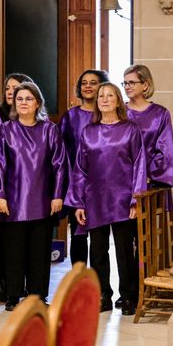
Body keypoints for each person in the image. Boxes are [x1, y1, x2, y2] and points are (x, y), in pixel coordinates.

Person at [65, 82, 147, 316]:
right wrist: (78, 202)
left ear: (118, 100)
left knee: (124, 250)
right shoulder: (88, 132)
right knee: (98, 251)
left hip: (123, 199)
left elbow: (140, 165)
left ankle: (129, 295)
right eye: (101, 95)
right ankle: (102, 295)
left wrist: (136, 199)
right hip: (95, 200)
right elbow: (80, 169)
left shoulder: (131, 129)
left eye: (110, 95)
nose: (104, 98)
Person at [0, 82, 67, 311]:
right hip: (13, 201)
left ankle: (37, 296)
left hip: (42, 200)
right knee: (14, 251)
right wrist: (0, 195)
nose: (23, 103)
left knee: (39, 252)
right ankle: (13, 295)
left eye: (28, 99)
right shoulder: (5, 130)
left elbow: (60, 165)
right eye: (19, 99)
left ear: (37, 103)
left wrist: (57, 195)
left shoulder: (50, 130)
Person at [0, 72, 33, 303]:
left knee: (27, 240)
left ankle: (25, 285)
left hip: (30, 188)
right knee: (4, 239)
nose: (11, 92)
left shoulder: (38, 123)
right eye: (8, 89)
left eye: (16, 88)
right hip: (4, 183)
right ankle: (5, 285)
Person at [59, 69, 109, 266]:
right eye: (84, 83)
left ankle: (100, 286)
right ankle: (79, 282)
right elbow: (60, 151)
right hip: (77, 184)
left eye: (93, 82)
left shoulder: (107, 116)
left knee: (99, 238)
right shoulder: (70, 117)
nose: (87, 86)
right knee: (78, 235)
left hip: (102, 185)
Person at [124, 64, 173, 190]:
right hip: (123, 181)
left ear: (145, 85)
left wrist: (145, 176)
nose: (127, 87)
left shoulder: (160, 114)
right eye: (124, 83)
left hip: (151, 182)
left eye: (131, 83)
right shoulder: (119, 112)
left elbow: (165, 151)